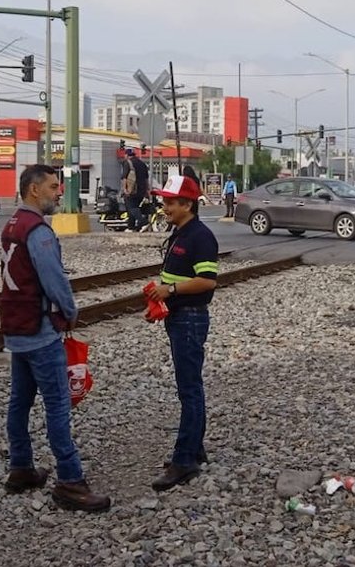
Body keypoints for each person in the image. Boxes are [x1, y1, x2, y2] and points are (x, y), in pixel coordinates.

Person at [0, 164, 110, 512]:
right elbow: (54, 281)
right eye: (52, 186)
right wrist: (71, 310)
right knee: (58, 405)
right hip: (40, 330)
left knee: (19, 402)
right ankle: (70, 481)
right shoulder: (39, 232)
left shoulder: (12, 224)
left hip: (17, 327)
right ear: (34, 190)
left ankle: (21, 467)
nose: (58, 192)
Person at [146, 174, 219, 491]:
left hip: (190, 319)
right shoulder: (182, 232)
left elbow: (207, 281)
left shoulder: (200, 237)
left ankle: (184, 460)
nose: (164, 208)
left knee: (189, 389)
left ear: (187, 204)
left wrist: (170, 289)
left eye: (169, 203)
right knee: (190, 387)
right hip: (180, 317)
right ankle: (194, 448)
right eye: (164, 202)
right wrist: (161, 295)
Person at [124, 148, 150, 231]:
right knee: (134, 207)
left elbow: (124, 177)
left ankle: (143, 222)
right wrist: (147, 190)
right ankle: (131, 227)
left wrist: (125, 189)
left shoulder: (128, 163)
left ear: (127, 155)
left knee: (131, 207)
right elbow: (146, 179)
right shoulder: (142, 164)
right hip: (142, 190)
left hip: (132, 190)